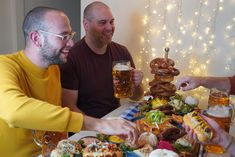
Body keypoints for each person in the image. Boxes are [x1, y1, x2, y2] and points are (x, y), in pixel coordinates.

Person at [0, 6, 138, 157]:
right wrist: (100, 124)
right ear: (36, 38)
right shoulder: (5, 65)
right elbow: (14, 112)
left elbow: (56, 122)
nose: (71, 43)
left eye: (71, 35)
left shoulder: (54, 69)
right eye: (63, 36)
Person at [60, 1, 144, 118]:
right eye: (102, 23)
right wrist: (100, 126)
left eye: (111, 22)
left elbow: (136, 96)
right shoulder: (71, 56)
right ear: (86, 24)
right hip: (85, 127)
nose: (109, 27)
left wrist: (137, 83)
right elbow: (70, 108)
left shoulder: (121, 51)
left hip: (115, 119)